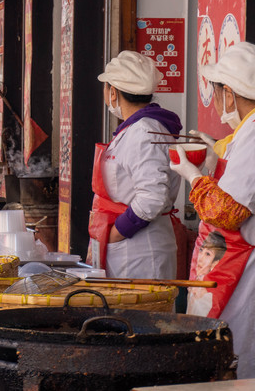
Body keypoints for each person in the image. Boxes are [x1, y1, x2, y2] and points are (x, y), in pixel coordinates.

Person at [168, 42, 255, 377]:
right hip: (230, 261)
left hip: (242, 264)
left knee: (237, 349)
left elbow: (230, 212)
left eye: (217, 91)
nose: (217, 99)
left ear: (229, 93)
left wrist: (194, 176)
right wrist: (213, 164)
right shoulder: (242, 134)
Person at [87, 51, 182, 279]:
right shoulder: (137, 128)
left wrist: (117, 232)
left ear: (113, 92)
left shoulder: (143, 131)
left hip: (140, 252)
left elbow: (153, 197)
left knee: (135, 313)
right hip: (132, 250)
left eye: (106, 88)